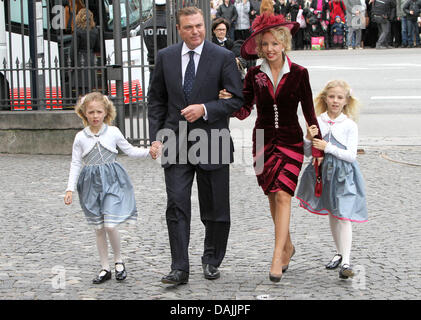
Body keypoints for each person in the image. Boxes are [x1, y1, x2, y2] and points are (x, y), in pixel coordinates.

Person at [222, 11, 324, 282]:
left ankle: (276, 256)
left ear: (284, 43)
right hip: (261, 141)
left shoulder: (300, 73)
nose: (269, 49)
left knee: (283, 196)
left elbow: (310, 113)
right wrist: (228, 100)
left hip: (291, 141)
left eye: (274, 44)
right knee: (271, 195)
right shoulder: (254, 74)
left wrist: (318, 145)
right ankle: (288, 245)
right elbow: (244, 110)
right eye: (264, 45)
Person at [147, 6, 243, 286]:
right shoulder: (165, 58)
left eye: (199, 25)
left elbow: (235, 99)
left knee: (216, 208)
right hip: (175, 142)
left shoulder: (223, 57)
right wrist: (156, 136)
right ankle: (179, 268)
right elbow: (156, 101)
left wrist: (204, 108)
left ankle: (211, 259)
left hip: (212, 140)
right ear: (179, 29)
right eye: (189, 27)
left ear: (206, 25)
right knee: (176, 205)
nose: (195, 31)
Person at [64, 92, 158, 284]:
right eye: (91, 112)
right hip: (90, 184)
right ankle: (104, 266)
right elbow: (75, 163)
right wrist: (69, 189)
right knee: (99, 227)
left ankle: (118, 260)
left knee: (110, 224)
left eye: (99, 111)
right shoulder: (80, 137)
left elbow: (130, 150)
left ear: (106, 112)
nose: (95, 116)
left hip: (113, 181)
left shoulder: (113, 132)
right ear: (84, 114)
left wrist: (149, 152)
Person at [296, 80, 368, 279]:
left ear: (346, 101)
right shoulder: (317, 120)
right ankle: (339, 252)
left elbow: (351, 155)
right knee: (333, 213)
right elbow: (308, 152)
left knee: (343, 215)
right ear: (325, 98)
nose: (335, 101)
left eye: (340, 97)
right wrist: (308, 139)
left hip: (343, 175)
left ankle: (346, 261)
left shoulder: (349, 125)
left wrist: (328, 148)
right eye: (332, 97)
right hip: (322, 173)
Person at [131, 0, 167, 80]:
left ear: (153, 6)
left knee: (154, 89)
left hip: (153, 64)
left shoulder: (146, 25)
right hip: (168, 63)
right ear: (166, 6)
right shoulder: (172, 23)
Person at [70, 9, 100, 96]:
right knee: (89, 88)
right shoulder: (95, 31)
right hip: (90, 59)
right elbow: (97, 47)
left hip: (80, 60)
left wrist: (71, 64)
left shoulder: (78, 31)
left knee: (80, 89)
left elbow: (73, 49)